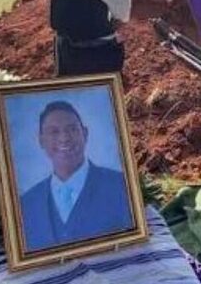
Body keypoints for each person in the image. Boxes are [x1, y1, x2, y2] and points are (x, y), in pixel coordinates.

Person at [20, 101, 133, 251]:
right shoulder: (26, 204)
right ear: (41, 141)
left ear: (85, 133)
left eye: (72, 129)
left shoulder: (122, 186)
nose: (64, 138)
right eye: (54, 132)